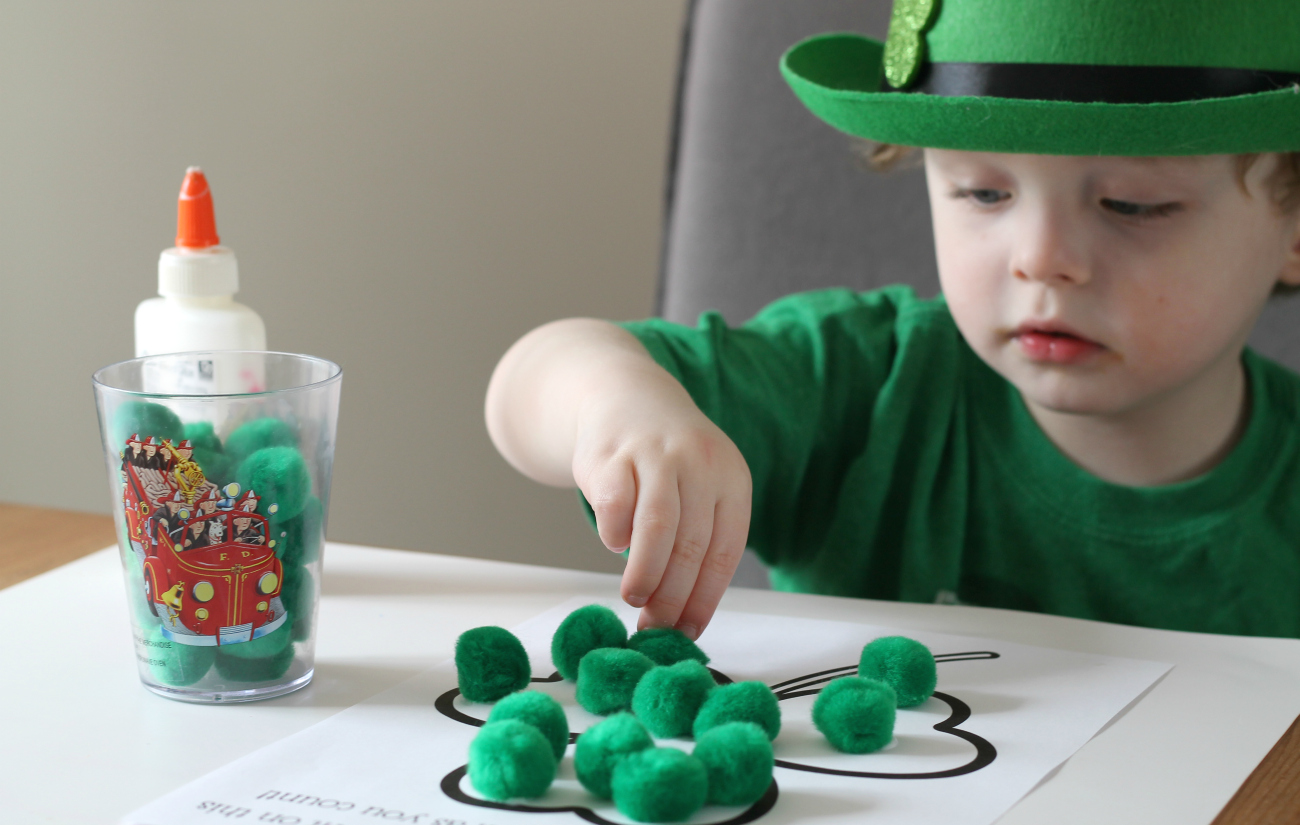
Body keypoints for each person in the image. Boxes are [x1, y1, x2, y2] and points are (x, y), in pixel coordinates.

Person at [485, 0, 1300, 641]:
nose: (1042, 259)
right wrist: (619, 407)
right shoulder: (863, 384)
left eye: (1133, 204)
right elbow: (532, 380)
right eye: (985, 193)